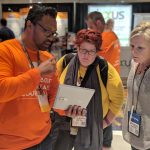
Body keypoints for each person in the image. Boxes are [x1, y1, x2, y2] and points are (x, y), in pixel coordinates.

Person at [52, 29, 124, 150]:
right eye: (83, 50)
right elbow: (53, 87)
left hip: (92, 126)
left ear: (97, 52)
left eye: (91, 51)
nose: (86, 55)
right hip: (64, 123)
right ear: (77, 48)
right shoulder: (65, 61)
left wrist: (105, 122)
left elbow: (118, 99)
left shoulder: (104, 69)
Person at [0, 5, 60, 150]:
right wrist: (37, 73)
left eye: (53, 33)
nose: (51, 38)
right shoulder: (5, 51)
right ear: (29, 25)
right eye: (46, 31)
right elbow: (2, 90)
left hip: (44, 138)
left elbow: (54, 97)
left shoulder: (48, 58)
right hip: (11, 143)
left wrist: (69, 108)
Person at [86, 11, 121, 149]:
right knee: (107, 115)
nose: (90, 30)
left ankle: (103, 145)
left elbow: (92, 60)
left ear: (99, 23)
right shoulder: (112, 35)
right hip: (111, 80)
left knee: (102, 115)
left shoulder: (104, 37)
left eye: (91, 27)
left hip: (104, 82)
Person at [122, 22, 150, 150]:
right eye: (132, 46)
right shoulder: (135, 64)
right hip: (135, 132)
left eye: (140, 48)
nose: (133, 52)